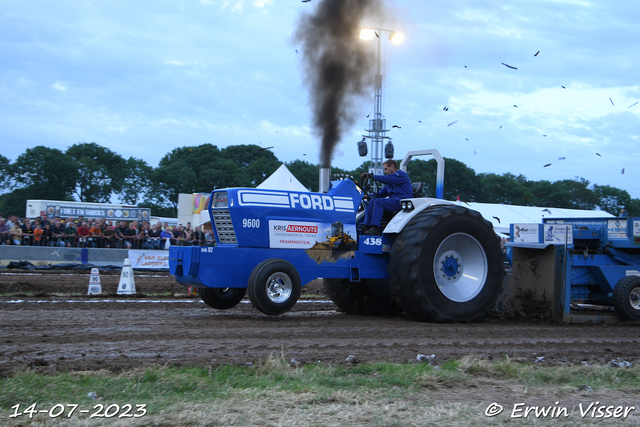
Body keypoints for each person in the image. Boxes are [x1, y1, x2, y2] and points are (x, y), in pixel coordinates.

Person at [359, 159, 413, 236]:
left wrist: (371, 176)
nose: (385, 172)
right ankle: (366, 226)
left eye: (386, 169)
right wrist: (364, 196)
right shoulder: (389, 184)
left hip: (401, 202)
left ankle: (375, 228)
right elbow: (379, 194)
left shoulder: (401, 175)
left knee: (378, 202)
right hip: (393, 202)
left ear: (392, 166)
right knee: (372, 201)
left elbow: (387, 179)